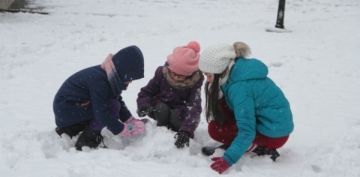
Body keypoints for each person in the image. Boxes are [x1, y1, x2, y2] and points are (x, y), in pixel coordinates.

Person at [199, 42, 294, 174]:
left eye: (208, 75)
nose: (208, 80)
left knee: (218, 130)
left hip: (274, 134)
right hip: (264, 124)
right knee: (216, 127)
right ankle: (241, 145)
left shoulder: (240, 88)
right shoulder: (234, 73)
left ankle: (257, 147)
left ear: (219, 70)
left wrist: (228, 159)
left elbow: (247, 130)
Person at [53, 45, 146, 151]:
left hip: (75, 108)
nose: (130, 82)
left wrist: (129, 120)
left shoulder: (109, 75)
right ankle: (86, 141)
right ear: (122, 72)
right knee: (111, 107)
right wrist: (122, 129)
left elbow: (116, 98)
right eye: (130, 78)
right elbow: (101, 112)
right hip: (67, 111)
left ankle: (76, 128)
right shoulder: (99, 82)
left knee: (111, 106)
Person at [136, 41, 204, 149]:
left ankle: (177, 131)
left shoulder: (194, 82)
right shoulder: (161, 74)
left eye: (180, 76)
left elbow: (194, 107)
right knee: (161, 109)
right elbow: (146, 92)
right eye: (174, 73)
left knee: (176, 116)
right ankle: (161, 128)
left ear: (189, 74)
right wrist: (143, 105)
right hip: (160, 108)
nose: (176, 77)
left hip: (180, 113)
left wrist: (186, 131)